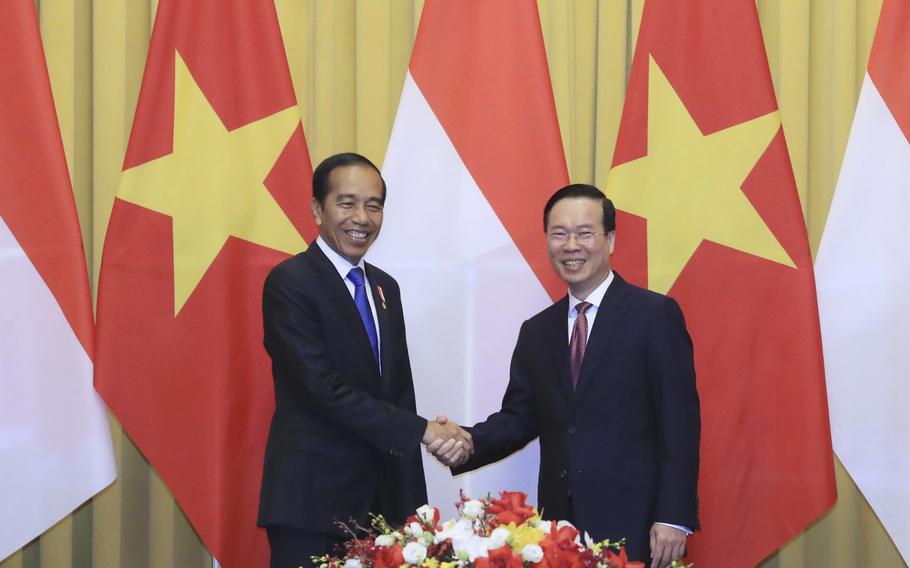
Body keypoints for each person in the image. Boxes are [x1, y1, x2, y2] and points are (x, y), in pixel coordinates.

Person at [435, 184, 700, 568]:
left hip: (639, 526)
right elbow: (519, 419)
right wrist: (466, 441)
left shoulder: (654, 315)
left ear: (610, 239)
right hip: (559, 530)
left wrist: (673, 517)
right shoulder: (537, 331)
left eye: (585, 233)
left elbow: (680, 423)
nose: (571, 245)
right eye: (559, 234)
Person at [258, 153, 472, 568]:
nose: (362, 217)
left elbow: (398, 394)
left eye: (373, 205)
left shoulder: (383, 287)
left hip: (383, 505)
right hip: (313, 505)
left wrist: (415, 510)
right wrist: (423, 431)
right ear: (318, 209)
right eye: (347, 202)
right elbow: (320, 388)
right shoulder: (291, 283)